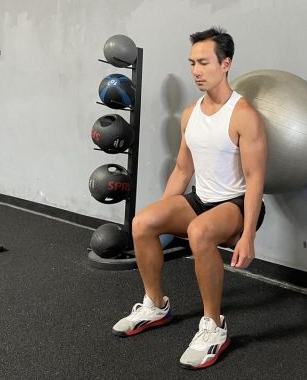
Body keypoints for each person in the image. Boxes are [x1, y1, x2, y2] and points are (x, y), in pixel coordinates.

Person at [112, 27, 267, 370]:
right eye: (192, 63)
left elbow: (256, 178)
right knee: (143, 222)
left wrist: (249, 235)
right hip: (202, 199)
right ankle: (155, 305)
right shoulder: (190, 113)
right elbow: (183, 170)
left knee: (199, 231)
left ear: (225, 64)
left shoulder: (244, 115)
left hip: (238, 205)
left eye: (204, 62)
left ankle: (214, 326)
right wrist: (162, 213)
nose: (196, 70)